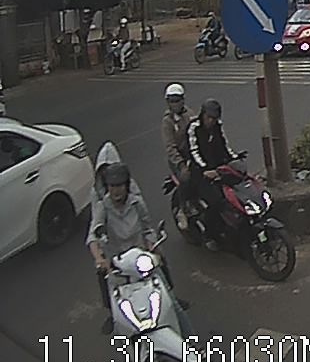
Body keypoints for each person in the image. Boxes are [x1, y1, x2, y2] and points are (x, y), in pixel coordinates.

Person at [88, 162, 187, 334]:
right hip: (118, 263)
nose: (116, 190)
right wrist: (99, 258)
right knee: (105, 281)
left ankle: (188, 334)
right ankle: (111, 313)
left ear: (127, 186)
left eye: (120, 185)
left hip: (140, 258)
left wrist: (152, 247)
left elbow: (147, 228)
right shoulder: (102, 207)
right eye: (112, 186)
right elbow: (93, 237)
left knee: (172, 304)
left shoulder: (136, 203)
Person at [186, 98, 239, 250]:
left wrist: (235, 159)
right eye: (208, 117)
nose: (211, 121)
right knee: (216, 201)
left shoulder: (218, 126)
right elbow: (193, 151)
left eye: (214, 118)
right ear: (203, 115)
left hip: (218, 169)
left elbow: (225, 146)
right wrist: (205, 170)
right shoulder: (194, 128)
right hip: (199, 172)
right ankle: (209, 234)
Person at [161, 83, 195, 196]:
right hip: (179, 160)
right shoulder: (167, 122)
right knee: (187, 180)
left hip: (193, 155)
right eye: (172, 101)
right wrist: (181, 165)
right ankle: (185, 203)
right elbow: (170, 148)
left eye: (177, 100)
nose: (175, 104)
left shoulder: (190, 114)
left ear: (183, 100)